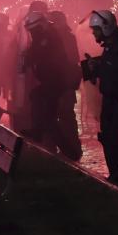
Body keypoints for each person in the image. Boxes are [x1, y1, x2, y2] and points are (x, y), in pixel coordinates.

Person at [23, 10, 81, 159]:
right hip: (53, 81)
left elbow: (46, 55)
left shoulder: (50, 37)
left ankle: (71, 153)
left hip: (56, 81)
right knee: (40, 102)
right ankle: (39, 133)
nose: (32, 32)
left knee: (52, 118)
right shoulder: (46, 35)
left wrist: (30, 57)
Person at [83, 10, 118, 184]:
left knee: (115, 138)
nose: (94, 33)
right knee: (109, 137)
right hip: (110, 100)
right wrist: (96, 67)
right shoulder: (110, 49)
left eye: (96, 29)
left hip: (117, 101)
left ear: (106, 27)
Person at [49, 10, 83, 161]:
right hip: (64, 83)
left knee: (66, 116)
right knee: (66, 116)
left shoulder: (64, 37)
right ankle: (71, 149)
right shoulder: (66, 36)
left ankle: (72, 150)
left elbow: (71, 59)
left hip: (63, 83)